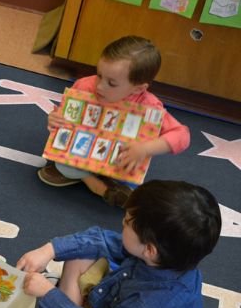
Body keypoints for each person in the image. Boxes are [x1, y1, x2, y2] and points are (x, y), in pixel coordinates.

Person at [16, 180, 221, 308]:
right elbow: (102, 240)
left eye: (127, 222)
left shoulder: (152, 306)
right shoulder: (166, 257)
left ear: (149, 250)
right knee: (80, 254)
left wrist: (49, 294)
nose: (122, 222)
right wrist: (49, 250)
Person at [38, 35, 190, 208]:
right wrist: (55, 118)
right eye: (99, 75)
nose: (99, 86)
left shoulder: (149, 106)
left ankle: (90, 178)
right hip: (82, 151)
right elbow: (65, 115)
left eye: (111, 83)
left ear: (138, 88)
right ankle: (96, 185)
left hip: (118, 161)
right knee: (62, 163)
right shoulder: (84, 86)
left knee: (130, 176)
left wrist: (145, 149)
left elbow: (182, 136)